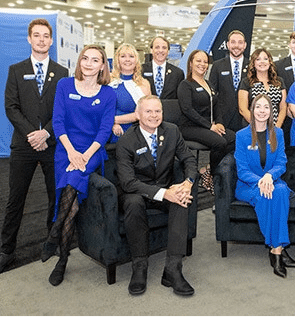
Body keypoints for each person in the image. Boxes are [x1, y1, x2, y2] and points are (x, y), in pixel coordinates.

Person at [41, 45, 116, 286]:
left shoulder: (108, 94)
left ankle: (55, 236)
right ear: (79, 61)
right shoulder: (64, 85)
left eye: (95, 60)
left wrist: (84, 155)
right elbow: (58, 121)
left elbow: (105, 131)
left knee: (72, 181)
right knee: (71, 208)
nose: (89, 63)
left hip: (92, 151)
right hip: (66, 149)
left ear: (103, 65)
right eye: (85, 58)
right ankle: (62, 258)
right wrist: (72, 152)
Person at [0, 19, 68, 274]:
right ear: (29, 39)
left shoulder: (61, 73)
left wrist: (46, 133)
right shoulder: (15, 70)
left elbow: (62, 111)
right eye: (36, 35)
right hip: (24, 143)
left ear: (51, 40)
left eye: (46, 36)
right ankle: (7, 250)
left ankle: (52, 241)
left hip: (52, 144)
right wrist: (32, 133)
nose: (41, 40)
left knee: (56, 195)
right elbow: (11, 107)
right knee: (15, 199)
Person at [116, 95, 197, 296]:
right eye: (148, 111)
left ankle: (173, 269)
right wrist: (164, 193)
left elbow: (188, 159)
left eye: (158, 111)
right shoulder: (126, 140)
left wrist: (187, 183)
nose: (154, 115)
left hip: (165, 186)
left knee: (181, 199)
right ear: (138, 114)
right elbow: (128, 182)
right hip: (137, 191)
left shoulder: (171, 131)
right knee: (133, 203)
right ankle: (139, 266)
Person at [234, 94, 295, 278]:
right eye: (258, 107)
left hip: (273, 181)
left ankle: (275, 250)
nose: (262, 111)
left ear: (271, 112)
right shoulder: (242, 136)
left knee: (279, 191)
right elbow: (242, 169)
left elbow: (281, 162)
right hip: (249, 185)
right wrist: (260, 180)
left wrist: (269, 176)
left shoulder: (277, 133)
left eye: (266, 107)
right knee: (267, 195)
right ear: (252, 110)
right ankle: (278, 249)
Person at [177, 49, 235, 193]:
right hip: (190, 127)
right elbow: (188, 110)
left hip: (208, 126)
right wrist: (210, 126)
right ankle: (214, 176)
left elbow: (217, 106)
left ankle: (208, 170)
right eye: (198, 61)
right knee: (220, 142)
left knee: (234, 138)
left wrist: (219, 123)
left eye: (205, 61)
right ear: (191, 63)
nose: (202, 64)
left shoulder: (208, 84)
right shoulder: (185, 84)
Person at [109, 43, 151, 143]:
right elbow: (101, 109)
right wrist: (112, 124)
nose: (127, 60)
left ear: (136, 60)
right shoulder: (108, 81)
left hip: (136, 129)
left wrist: (112, 120)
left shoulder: (144, 84)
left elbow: (143, 114)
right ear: (117, 59)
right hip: (109, 129)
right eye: (123, 56)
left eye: (131, 56)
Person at [208, 30, 248, 133]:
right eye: (233, 42)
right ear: (228, 44)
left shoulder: (252, 65)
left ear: (244, 45)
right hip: (223, 120)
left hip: (246, 119)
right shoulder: (217, 65)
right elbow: (213, 94)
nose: (236, 46)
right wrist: (216, 120)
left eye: (240, 42)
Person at [239, 48, 287, 128]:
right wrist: (258, 126)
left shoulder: (279, 81)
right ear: (253, 63)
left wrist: (277, 127)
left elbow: (283, 107)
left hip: (275, 128)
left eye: (265, 59)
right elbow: (242, 109)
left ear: (270, 62)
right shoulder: (246, 82)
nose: (262, 62)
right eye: (258, 59)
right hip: (253, 128)